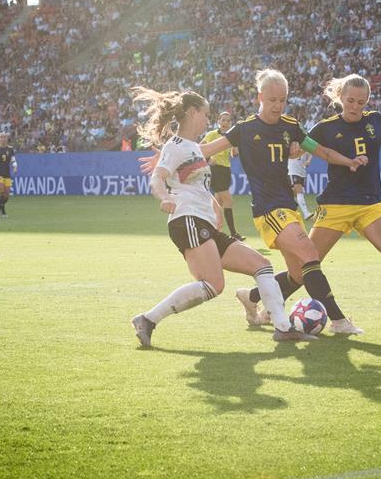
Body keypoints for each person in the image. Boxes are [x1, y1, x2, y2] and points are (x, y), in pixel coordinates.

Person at [240, 74, 381, 332]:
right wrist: (295, 149)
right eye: (351, 100)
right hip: (335, 206)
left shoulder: (377, 121)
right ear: (340, 97)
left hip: (371, 205)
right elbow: (298, 145)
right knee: (303, 269)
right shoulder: (325, 127)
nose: (355, 106)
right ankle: (254, 297)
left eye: (361, 102)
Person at [128, 87, 314, 346]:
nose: (207, 120)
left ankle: (283, 327)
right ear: (192, 113)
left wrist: (215, 207)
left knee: (262, 265)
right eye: (205, 114)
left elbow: (198, 185)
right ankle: (148, 319)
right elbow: (157, 178)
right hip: (187, 219)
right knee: (214, 284)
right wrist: (165, 198)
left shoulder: (194, 148)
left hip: (202, 221)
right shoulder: (176, 146)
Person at [193, 69, 369, 335]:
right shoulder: (244, 129)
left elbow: (322, 151)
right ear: (260, 98)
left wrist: (349, 161)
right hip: (268, 209)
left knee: (298, 273)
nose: (277, 105)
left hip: (288, 207)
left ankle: (251, 297)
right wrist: (169, 157)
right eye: (272, 99)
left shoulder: (290, 127)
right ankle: (339, 321)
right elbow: (205, 151)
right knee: (310, 254)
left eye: (282, 100)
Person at [200, 111, 244, 240]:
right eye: (223, 120)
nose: (225, 123)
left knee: (218, 201)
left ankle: (213, 231)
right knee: (228, 200)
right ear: (218, 121)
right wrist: (208, 160)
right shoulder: (212, 134)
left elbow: (234, 154)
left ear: (231, 123)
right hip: (216, 170)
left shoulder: (231, 136)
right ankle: (233, 233)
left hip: (225, 170)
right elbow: (199, 147)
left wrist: (236, 146)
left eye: (228, 121)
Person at [288, 150, 314, 219]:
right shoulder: (293, 145)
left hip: (302, 172)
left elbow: (311, 153)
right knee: (300, 191)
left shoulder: (305, 144)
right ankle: (306, 213)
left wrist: (308, 160)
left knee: (294, 193)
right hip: (293, 171)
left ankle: (291, 206)